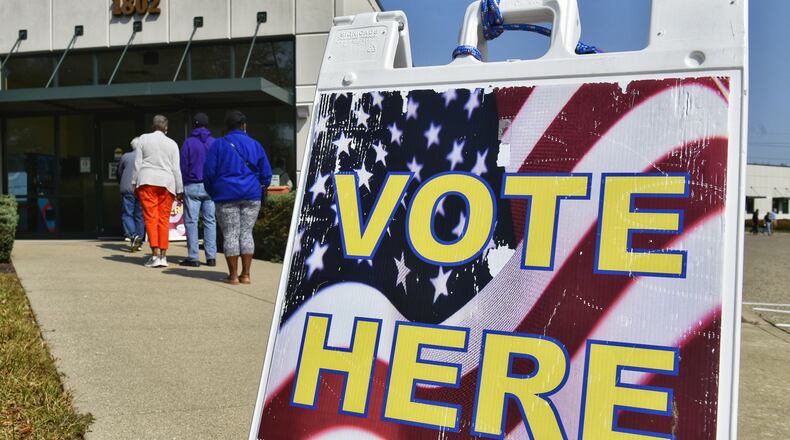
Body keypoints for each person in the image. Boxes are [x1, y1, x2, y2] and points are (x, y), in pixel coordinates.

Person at [204, 110, 272, 285]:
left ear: (226, 127)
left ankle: (233, 276)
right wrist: (260, 185)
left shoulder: (218, 144)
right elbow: (266, 173)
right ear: (244, 126)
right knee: (246, 233)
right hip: (251, 194)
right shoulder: (255, 144)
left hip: (225, 195)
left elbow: (209, 173)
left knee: (231, 234)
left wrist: (214, 192)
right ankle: (246, 275)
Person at [132, 115, 184, 268]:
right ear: (166, 128)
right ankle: (163, 256)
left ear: (152, 125)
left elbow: (137, 163)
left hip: (147, 181)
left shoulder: (143, 139)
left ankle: (154, 255)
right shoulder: (172, 143)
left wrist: (134, 182)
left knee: (151, 218)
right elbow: (176, 168)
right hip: (167, 183)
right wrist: (180, 189)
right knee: (163, 219)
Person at [179, 112, 217, 267]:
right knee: (210, 221)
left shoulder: (188, 143)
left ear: (194, 125)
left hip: (192, 185)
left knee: (191, 221)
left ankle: (193, 257)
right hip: (210, 186)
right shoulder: (214, 142)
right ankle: (211, 257)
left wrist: (184, 182)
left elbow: (183, 166)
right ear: (207, 125)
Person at [118, 137, 145, 252]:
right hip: (141, 188)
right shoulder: (145, 157)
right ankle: (139, 240)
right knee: (139, 215)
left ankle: (134, 236)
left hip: (128, 189)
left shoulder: (125, 157)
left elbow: (119, 172)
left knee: (127, 214)